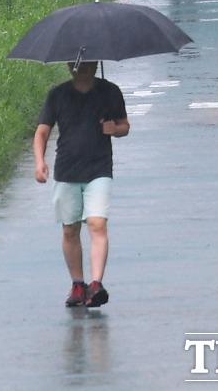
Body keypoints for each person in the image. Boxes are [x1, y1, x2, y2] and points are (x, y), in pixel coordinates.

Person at [33, 61, 130, 308]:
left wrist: (114, 128)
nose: (82, 67)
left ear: (97, 63)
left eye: (88, 62)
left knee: (97, 224)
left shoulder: (110, 91)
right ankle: (78, 283)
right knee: (70, 229)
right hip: (66, 170)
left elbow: (124, 126)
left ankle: (96, 284)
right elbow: (42, 131)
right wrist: (39, 162)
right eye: (76, 62)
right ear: (69, 65)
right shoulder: (58, 94)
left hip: (99, 169)